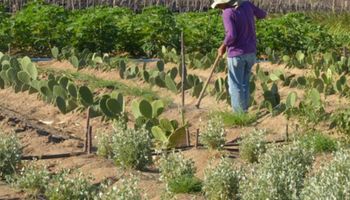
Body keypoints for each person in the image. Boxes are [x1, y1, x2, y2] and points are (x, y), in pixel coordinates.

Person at [212, 0, 267, 112]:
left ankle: (238, 114)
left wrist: (223, 46)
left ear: (226, 2)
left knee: (235, 85)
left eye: (218, 5)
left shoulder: (227, 12)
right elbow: (262, 14)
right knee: (245, 83)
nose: (218, 7)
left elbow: (231, 35)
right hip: (251, 52)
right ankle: (244, 110)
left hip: (236, 54)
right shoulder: (247, 4)